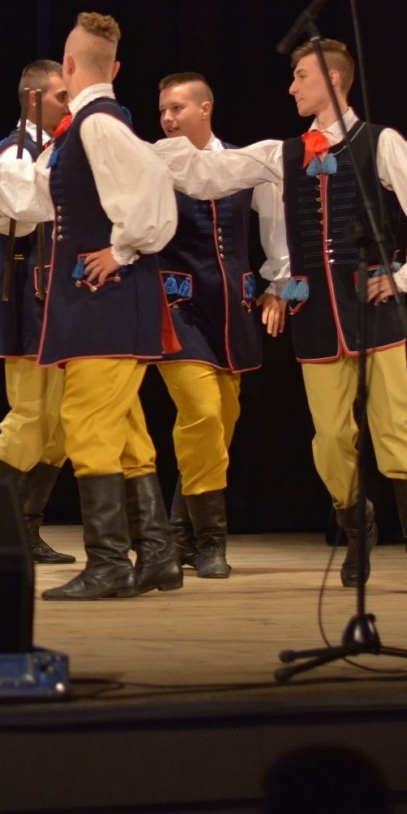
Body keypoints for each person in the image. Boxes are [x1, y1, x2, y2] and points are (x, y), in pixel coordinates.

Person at [155, 38, 407, 594]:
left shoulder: (380, 144)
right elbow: (208, 173)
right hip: (318, 318)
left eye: (301, 76)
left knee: (394, 430)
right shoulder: (283, 154)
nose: (292, 87)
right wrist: (125, 153)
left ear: (333, 78)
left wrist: (402, 276)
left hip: (374, 314)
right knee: (330, 439)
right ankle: (358, 530)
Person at [0, 12, 180, 600]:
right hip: (98, 303)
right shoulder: (85, 129)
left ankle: (109, 563)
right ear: (114, 67)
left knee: (88, 425)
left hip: (106, 302)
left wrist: (122, 250)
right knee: (122, 428)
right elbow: (40, 192)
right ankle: (157, 554)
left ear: (68, 67)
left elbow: (154, 191)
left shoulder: (99, 125)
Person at [154, 72, 286, 578]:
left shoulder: (243, 161)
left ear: (205, 109)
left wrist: (280, 286)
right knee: (203, 414)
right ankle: (211, 541)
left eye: (177, 108)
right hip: (177, 307)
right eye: (163, 111)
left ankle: (180, 532)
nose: (168, 118)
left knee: (222, 420)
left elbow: (276, 230)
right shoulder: (156, 163)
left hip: (234, 308)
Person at [0, 59, 76, 564]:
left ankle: (25, 529)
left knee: (58, 427)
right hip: (28, 292)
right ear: (34, 99)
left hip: (55, 295)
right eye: (61, 96)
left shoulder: (61, 146)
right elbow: (10, 216)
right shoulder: (17, 150)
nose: (69, 104)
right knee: (32, 414)